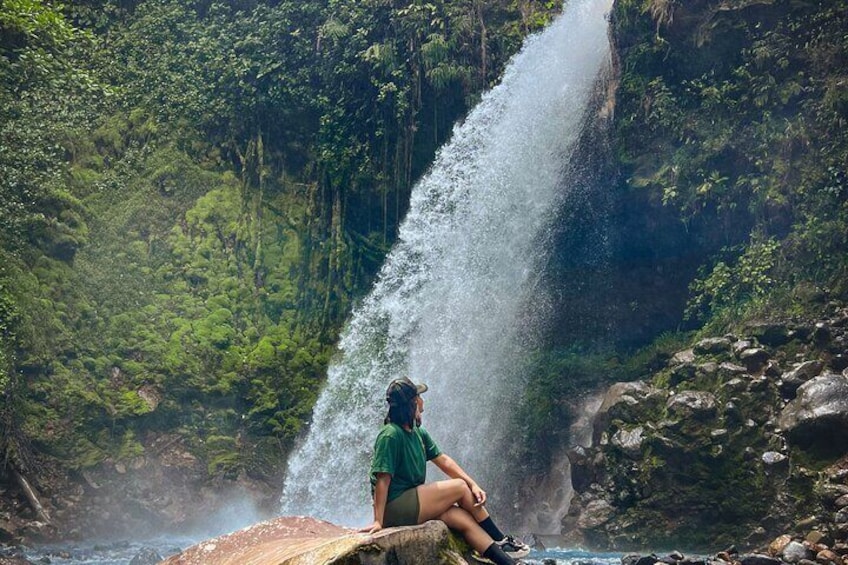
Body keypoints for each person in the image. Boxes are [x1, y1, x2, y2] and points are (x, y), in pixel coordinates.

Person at [360, 377, 530, 565]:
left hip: (411, 504)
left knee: (460, 517)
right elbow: (382, 481)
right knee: (459, 487)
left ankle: (507, 562)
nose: (423, 402)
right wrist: (378, 521)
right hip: (393, 507)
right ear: (413, 402)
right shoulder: (390, 435)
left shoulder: (417, 432)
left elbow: (443, 461)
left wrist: (473, 484)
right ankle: (500, 539)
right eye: (420, 397)